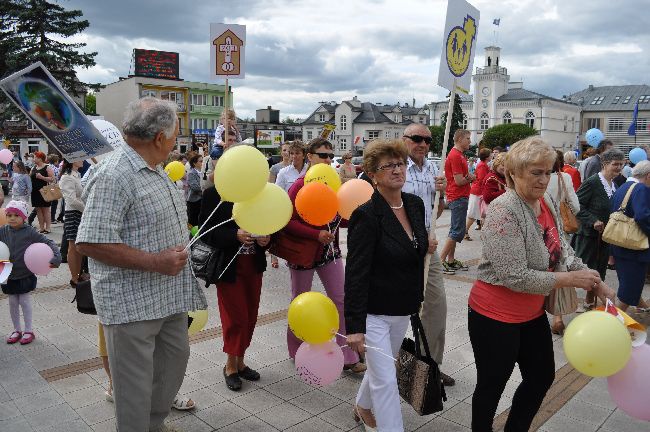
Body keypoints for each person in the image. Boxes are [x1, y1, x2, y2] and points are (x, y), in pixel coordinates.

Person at [76, 97, 207, 432]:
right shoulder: (114, 174)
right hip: (131, 304)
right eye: (175, 133)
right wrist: (156, 261)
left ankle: (153, 423)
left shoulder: (155, 168)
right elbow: (90, 241)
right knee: (133, 391)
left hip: (168, 297)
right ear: (160, 138)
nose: (177, 140)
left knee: (173, 364)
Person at [468, 137, 615, 432]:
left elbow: (561, 249)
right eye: (536, 172)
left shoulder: (545, 201)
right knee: (492, 385)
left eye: (548, 172)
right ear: (514, 173)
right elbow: (514, 275)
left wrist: (593, 279)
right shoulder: (502, 209)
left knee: (541, 377)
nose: (544, 179)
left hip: (531, 313)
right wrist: (571, 280)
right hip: (494, 315)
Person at [345, 139, 429, 431]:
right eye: (388, 165)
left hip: (402, 309)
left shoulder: (415, 205)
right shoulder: (366, 216)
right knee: (386, 380)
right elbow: (355, 274)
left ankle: (362, 405)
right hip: (373, 314)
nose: (397, 170)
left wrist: (424, 247)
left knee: (383, 369)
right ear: (373, 174)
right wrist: (354, 326)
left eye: (400, 163)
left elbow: (413, 248)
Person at [284, 138, 364, 371]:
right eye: (323, 155)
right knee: (300, 301)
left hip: (330, 252)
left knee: (341, 299)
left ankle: (348, 356)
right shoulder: (299, 185)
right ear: (310, 156)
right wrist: (314, 234)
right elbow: (287, 222)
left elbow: (342, 216)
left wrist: (361, 217)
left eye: (331, 156)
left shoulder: (335, 183)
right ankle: (296, 348)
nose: (329, 160)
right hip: (303, 254)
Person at [199, 171, 270, 391]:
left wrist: (267, 239)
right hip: (228, 267)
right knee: (236, 317)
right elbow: (205, 232)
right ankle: (230, 365)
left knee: (250, 315)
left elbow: (269, 223)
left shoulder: (258, 194)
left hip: (253, 265)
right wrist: (234, 235)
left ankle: (240, 362)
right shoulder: (213, 194)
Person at [401, 123, 456, 386]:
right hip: (401, 246)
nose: (422, 144)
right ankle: (394, 365)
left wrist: (441, 194)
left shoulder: (433, 168)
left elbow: (437, 212)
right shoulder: (396, 167)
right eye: (416, 138)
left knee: (436, 305)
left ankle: (430, 365)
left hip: (428, 245)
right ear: (404, 139)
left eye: (427, 140)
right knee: (399, 308)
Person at [2, 200, 61, 345]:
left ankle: (28, 330)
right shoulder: (3, 230)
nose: (12, 218)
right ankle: (17, 330)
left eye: (16, 215)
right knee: (12, 302)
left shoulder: (30, 231)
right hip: (8, 274)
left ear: (24, 217)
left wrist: (57, 256)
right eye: (9, 215)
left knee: (24, 300)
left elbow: (48, 242)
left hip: (25, 274)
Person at [574, 149, 625, 312]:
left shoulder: (615, 184)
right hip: (589, 236)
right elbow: (576, 205)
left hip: (605, 236)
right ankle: (602, 304)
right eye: (615, 164)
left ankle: (590, 303)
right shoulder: (593, 182)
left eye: (621, 164)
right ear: (604, 164)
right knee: (588, 270)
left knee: (600, 270)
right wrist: (592, 220)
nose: (618, 168)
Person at [544, 150, 580, 334]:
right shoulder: (563, 177)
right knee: (560, 265)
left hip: (541, 226)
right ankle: (557, 318)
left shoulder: (536, 179)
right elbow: (576, 205)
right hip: (560, 228)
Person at [610, 160, 650, 313]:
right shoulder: (641, 189)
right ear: (648, 176)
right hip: (634, 246)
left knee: (629, 281)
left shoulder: (624, 187)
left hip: (620, 243)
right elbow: (642, 217)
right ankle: (613, 320)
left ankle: (642, 307)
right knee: (630, 287)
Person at [440, 129, 474, 272]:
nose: (470, 141)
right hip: (457, 195)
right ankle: (441, 261)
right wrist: (470, 178)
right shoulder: (455, 155)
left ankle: (451, 259)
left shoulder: (459, 155)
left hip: (460, 196)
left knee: (456, 229)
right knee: (456, 231)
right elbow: (459, 181)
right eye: (467, 138)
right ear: (459, 139)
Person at [58, 159, 85, 287]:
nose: (83, 160)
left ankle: (79, 274)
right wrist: (87, 209)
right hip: (73, 213)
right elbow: (72, 200)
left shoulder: (77, 174)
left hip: (80, 212)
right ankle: (75, 278)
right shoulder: (66, 177)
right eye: (80, 157)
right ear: (73, 160)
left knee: (79, 246)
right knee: (73, 246)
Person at [465, 148, 492, 237]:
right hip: (478, 192)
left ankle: (484, 234)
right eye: (490, 154)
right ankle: (465, 232)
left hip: (478, 191)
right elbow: (481, 179)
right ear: (487, 156)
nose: (492, 155)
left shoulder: (483, 164)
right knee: (473, 214)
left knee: (482, 214)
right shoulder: (482, 165)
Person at [29, 151, 55, 234]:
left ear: (40, 158)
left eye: (35, 157)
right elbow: (30, 178)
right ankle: (41, 227)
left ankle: (48, 228)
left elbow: (52, 179)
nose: (34, 159)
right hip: (35, 192)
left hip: (44, 190)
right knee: (38, 210)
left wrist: (42, 177)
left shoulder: (47, 167)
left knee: (46, 210)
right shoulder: (33, 168)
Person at [185, 153, 203, 226]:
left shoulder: (203, 172)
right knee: (193, 221)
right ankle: (192, 236)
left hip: (201, 199)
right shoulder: (191, 173)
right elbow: (195, 187)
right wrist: (205, 189)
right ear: (194, 163)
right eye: (200, 161)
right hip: (194, 200)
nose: (202, 163)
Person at [47, 154, 61, 224]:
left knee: (46, 202)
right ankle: (52, 218)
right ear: (55, 161)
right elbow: (57, 178)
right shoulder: (55, 169)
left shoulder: (47, 166)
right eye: (57, 161)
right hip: (53, 187)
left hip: (47, 186)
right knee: (54, 202)